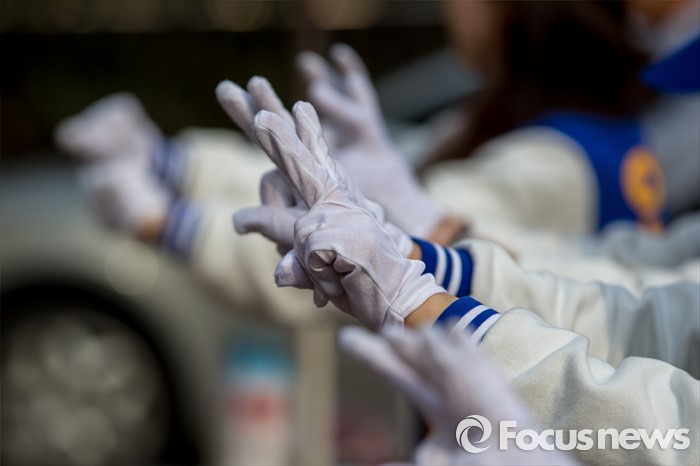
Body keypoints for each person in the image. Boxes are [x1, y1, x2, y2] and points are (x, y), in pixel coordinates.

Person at [237, 99, 699, 464]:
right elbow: (640, 311)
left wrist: (417, 290)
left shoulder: (554, 152)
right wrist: (417, 259)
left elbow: (671, 419)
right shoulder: (593, 135)